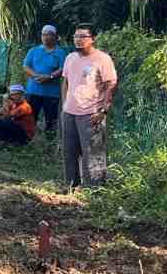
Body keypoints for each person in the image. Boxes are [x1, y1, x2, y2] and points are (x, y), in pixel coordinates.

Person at [61, 24, 117, 189]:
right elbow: (65, 81)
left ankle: (95, 189)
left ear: (93, 39)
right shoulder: (70, 58)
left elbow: (111, 84)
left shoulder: (102, 59)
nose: (78, 40)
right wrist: (65, 103)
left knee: (93, 152)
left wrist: (104, 110)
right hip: (69, 112)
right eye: (76, 36)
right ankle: (71, 185)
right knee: (69, 152)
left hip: (91, 113)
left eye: (83, 36)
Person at [23, 24, 68, 135]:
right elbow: (26, 66)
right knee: (29, 118)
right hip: (33, 91)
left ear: (55, 36)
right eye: (43, 35)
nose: (46, 37)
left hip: (51, 93)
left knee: (51, 120)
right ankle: (27, 141)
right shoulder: (33, 51)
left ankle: (49, 144)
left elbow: (63, 68)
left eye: (49, 35)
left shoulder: (60, 52)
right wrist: (35, 76)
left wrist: (50, 76)